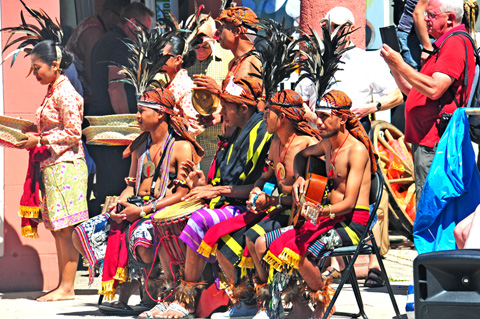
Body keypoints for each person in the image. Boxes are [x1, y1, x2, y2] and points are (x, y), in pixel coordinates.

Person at [140, 75, 272, 319]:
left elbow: (262, 186)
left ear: (243, 108)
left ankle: (186, 299)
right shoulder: (237, 130)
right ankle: (170, 294)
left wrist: (216, 190)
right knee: (162, 219)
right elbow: (224, 180)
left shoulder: (262, 133)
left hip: (251, 207)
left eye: (227, 107)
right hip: (228, 202)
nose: (222, 112)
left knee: (199, 220)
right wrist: (202, 184)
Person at [72, 88, 204, 314]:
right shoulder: (139, 146)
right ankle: (129, 287)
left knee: (140, 237)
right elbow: (131, 186)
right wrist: (118, 207)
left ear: (161, 114)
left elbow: (182, 194)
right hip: (135, 207)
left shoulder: (182, 147)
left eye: (142, 111)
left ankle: (156, 293)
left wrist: (143, 210)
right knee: (82, 233)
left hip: (161, 211)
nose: (137, 116)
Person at [261, 90, 376, 318]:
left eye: (325, 117)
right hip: (329, 219)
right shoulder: (326, 145)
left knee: (300, 253)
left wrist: (319, 210)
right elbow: (301, 156)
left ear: (342, 119)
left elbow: (350, 204)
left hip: (353, 225)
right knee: (274, 246)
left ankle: (324, 297)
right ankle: (283, 308)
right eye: (318, 116)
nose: (319, 122)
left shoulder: (357, 150)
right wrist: (301, 177)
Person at [208, 90, 320, 319]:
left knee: (257, 241)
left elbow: (313, 200)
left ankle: (274, 305)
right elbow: (266, 176)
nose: (263, 117)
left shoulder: (310, 145)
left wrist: (273, 200)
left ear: (284, 118)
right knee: (232, 238)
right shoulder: (276, 141)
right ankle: (260, 302)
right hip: (279, 209)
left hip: (304, 216)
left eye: (268, 112)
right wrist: (258, 190)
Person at [381, 0, 475, 200]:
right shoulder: (441, 46)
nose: (424, 18)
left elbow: (434, 89)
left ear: (450, 19)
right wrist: (395, 66)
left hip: (435, 143)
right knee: (427, 206)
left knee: (430, 209)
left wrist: (401, 64)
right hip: (427, 141)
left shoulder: (455, 43)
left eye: (431, 15)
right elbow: (412, 91)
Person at [18, 40, 88, 301]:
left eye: (37, 68)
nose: (35, 74)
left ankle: (67, 288)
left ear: (55, 66)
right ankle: (63, 285)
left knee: (65, 228)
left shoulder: (64, 93)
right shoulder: (53, 90)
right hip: (55, 165)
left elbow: (73, 133)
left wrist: (42, 140)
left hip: (66, 166)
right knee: (59, 228)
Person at [87, 3, 154, 217]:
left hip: (101, 130)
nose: (146, 36)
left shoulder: (104, 41)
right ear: (132, 24)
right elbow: (115, 87)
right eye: (145, 29)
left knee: (106, 186)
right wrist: (130, 125)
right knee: (116, 189)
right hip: (115, 133)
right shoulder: (121, 44)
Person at [321, 7, 404, 133]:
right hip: (319, 131)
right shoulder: (315, 61)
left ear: (351, 29)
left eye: (338, 26)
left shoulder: (366, 60)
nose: (332, 31)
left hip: (353, 130)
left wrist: (371, 108)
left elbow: (397, 95)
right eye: (327, 27)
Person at [187, 15, 233, 174]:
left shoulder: (229, 59)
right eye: (196, 46)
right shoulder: (184, 60)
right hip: (188, 143)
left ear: (214, 40)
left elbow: (242, 100)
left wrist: (221, 114)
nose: (200, 51)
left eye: (205, 47)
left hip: (216, 143)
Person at [66, 0, 128, 103]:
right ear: (110, 14)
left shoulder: (91, 22)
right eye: (121, 19)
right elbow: (92, 74)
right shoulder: (94, 33)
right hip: (81, 96)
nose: (122, 24)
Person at [161, 35, 203, 137]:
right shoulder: (173, 84)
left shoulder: (185, 87)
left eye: (162, 56)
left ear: (177, 60)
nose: (158, 61)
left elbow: (195, 126)